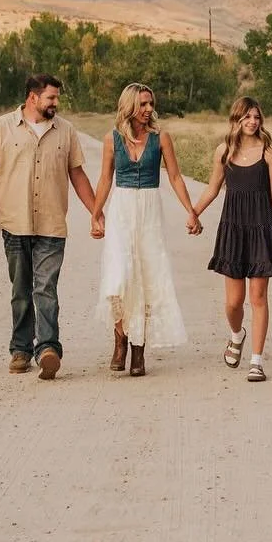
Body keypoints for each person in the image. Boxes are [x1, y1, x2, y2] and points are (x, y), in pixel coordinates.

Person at [0, 74, 97, 380]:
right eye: (51, 98)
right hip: (14, 223)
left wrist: (97, 212)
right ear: (33, 97)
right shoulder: (1, 128)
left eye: (56, 98)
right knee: (20, 289)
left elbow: (78, 175)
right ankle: (20, 348)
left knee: (46, 288)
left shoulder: (66, 131)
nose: (56, 103)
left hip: (52, 224)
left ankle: (47, 349)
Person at [91, 83, 199, 376]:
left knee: (149, 277)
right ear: (129, 107)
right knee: (119, 277)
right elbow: (104, 179)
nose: (149, 109)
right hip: (122, 212)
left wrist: (191, 210)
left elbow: (175, 177)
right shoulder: (111, 139)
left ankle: (139, 348)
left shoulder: (161, 138)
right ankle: (120, 340)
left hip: (150, 211)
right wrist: (96, 213)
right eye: (143, 104)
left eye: (151, 103)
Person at [189, 97, 272, 382]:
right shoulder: (224, 151)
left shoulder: (270, 153)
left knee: (258, 297)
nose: (252, 122)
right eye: (247, 117)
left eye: (256, 117)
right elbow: (212, 188)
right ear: (236, 119)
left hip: (261, 228)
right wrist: (194, 212)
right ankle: (237, 335)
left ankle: (256, 361)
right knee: (234, 302)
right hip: (233, 229)